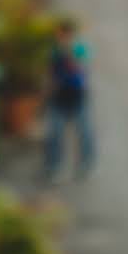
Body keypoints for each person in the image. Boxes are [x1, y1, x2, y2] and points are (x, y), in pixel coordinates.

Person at [43, 16, 95, 181]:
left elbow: (79, 68)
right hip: (59, 95)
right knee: (54, 133)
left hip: (76, 95)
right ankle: (53, 166)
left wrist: (69, 52)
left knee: (84, 132)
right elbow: (51, 72)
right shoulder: (54, 50)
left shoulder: (79, 48)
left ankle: (86, 164)